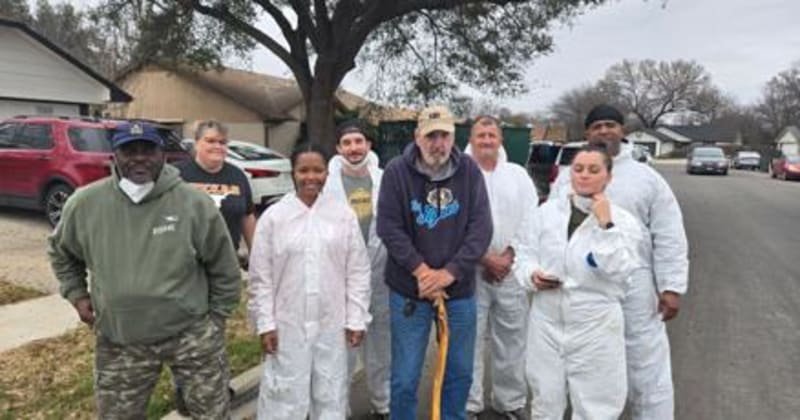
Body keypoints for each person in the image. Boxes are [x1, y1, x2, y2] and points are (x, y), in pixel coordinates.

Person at [48, 122, 241, 419]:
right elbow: (61, 253)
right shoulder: (85, 204)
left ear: (162, 155)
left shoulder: (194, 203)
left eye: (148, 150)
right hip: (121, 338)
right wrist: (76, 293)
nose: (139, 158)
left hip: (190, 335)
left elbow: (224, 268)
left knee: (212, 414)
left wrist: (215, 321)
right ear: (115, 155)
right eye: (129, 150)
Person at [550, 104, 690, 420]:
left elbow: (669, 234)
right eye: (597, 126)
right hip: (587, 285)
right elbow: (553, 230)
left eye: (610, 125)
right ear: (587, 133)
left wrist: (671, 286)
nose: (604, 131)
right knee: (590, 360)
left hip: (635, 284)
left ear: (622, 130)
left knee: (644, 360)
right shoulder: (567, 178)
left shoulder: (646, 179)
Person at [376, 105, 493, 420]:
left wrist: (449, 273)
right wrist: (424, 272)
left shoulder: (469, 172)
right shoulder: (397, 172)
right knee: (405, 377)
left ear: (454, 137)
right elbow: (389, 227)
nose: (437, 143)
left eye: (444, 135)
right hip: (409, 289)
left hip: (459, 290)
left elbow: (481, 229)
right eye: (431, 136)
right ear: (417, 137)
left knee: (459, 372)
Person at [515, 144, 646, 419]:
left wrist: (605, 226)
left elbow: (620, 270)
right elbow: (524, 254)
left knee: (595, 406)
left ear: (608, 177)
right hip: (546, 322)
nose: (584, 175)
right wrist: (532, 275)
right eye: (578, 169)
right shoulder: (546, 214)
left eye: (593, 170)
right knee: (544, 400)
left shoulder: (623, 223)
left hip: (595, 325)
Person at [248, 142, 372, 420]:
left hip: (333, 323)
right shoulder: (275, 218)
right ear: (293, 173)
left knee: (330, 393)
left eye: (318, 170)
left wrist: (356, 318)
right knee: (284, 397)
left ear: (327, 173)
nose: (311, 177)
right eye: (303, 170)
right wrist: (265, 323)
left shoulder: (342, 216)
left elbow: (357, 271)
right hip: (287, 324)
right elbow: (260, 277)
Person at [463, 116, 537, 420]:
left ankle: (509, 401)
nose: (486, 140)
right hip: (470, 270)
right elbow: (454, 224)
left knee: (512, 338)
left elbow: (532, 218)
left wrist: (509, 254)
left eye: (491, 135)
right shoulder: (459, 174)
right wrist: (483, 257)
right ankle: (470, 403)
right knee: (469, 339)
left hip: (510, 269)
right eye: (480, 135)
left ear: (501, 139)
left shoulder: (517, 175)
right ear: (471, 139)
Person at [323, 120, 391, 419]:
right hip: (341, 275)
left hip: (381, 274)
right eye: (347, 143)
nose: (353, 148)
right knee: (341, 346)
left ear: (368, 145)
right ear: (339, 148)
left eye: (358, 141)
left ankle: (383, 402)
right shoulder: (326, 183)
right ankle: (337, 407)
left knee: (381, 344)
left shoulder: (385, 178)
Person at [175, 120, 256, 253]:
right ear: (196, 144)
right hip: (186, 260)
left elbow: (247, 216)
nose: (217, 146)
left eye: (222, 142)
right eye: (210, 141)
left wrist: (255, 254)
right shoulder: (176, 174)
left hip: (227, 259)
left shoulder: (237, 175)